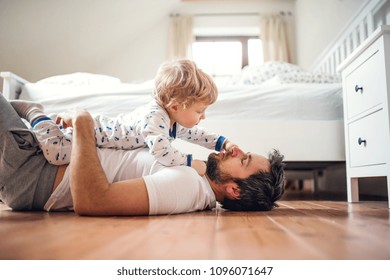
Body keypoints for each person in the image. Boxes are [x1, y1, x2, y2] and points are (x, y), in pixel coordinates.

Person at [0, 94, 286, 215]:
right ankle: (32, 113)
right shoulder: (195, 180)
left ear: (234, 189)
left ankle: (33, 111)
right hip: (36, 160)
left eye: (243, 160)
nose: (235, 151)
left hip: (32, 170)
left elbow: (92, 202)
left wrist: (84, 124)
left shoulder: (187, 186)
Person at [10, 59, 237, 176]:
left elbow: (195, 134)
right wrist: (192, 163)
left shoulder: (171, 119)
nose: (203, 117)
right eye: (199, 111)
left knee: (48, 149)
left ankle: (36, 126)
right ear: (176, 106)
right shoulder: (155, 119)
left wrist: (222, 143)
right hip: (91, 134)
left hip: (98, 133)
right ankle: (36, 114)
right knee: (55, 153)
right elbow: (162, 152)